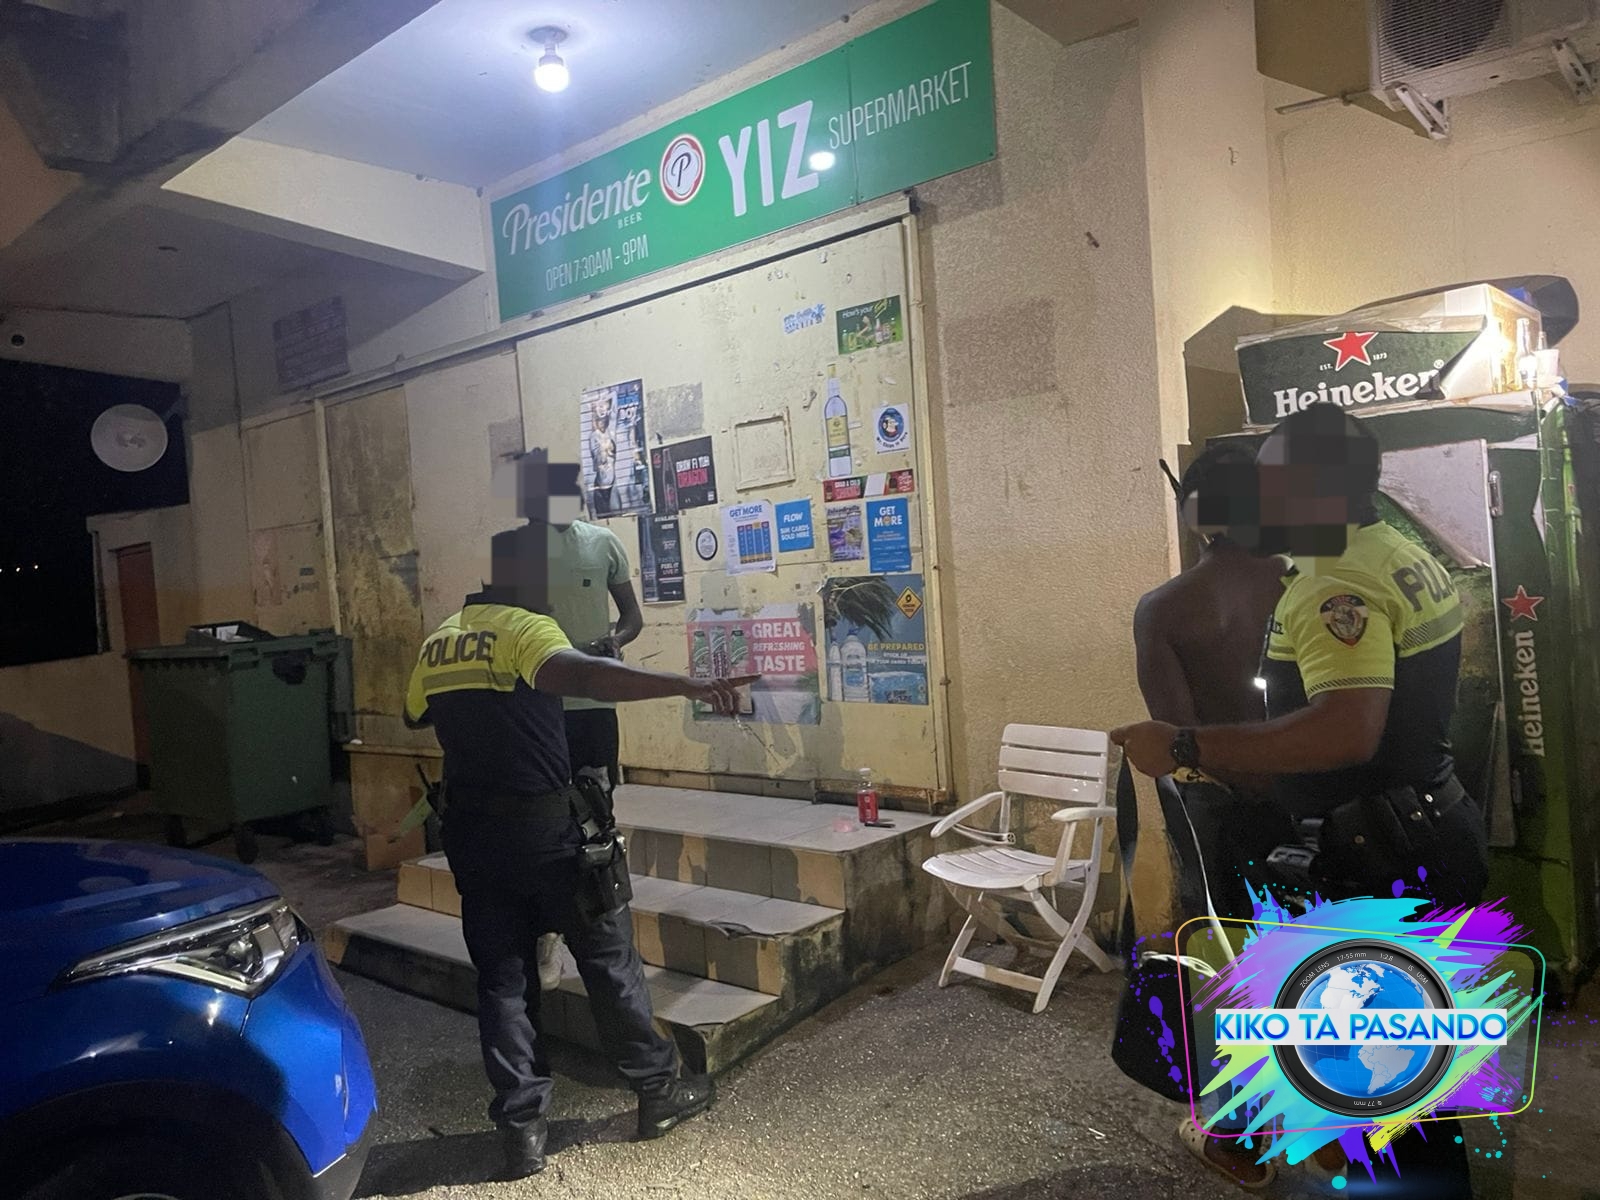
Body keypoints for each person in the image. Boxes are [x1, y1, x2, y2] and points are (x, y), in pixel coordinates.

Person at [1113, 404, 1487, 1198]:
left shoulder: (1329, 582)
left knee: (1382, 1085)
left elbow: (1347, 730)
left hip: (1375, 854)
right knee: (1407, 1070)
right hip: (1427, 825)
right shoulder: (1400, 553)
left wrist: (1183, 746)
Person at [405, 496, 757, 1181]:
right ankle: (657, 1091)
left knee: (504, 984)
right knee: (607, 962)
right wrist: (688, 684)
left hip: (474, 839)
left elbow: (414, 712)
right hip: (551, 836)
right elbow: (589, 676)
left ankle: (522, 1132)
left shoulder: (438, 640)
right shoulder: (526, 627)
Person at [1127, 445, 1296, 1192]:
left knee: (1229, 972)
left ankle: (1240, 1140)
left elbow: (1177, 742)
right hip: (1317, 805)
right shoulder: (1309, 586)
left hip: (1221, 819)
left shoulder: (1165, 608)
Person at [533, 488, 644, 993]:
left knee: (598, 810)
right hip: (541, 707)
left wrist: (615, 642)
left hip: (595, 705)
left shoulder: (603, 543)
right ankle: (549, 932)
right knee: (548, 818)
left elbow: (632, 617)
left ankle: (605, 924)